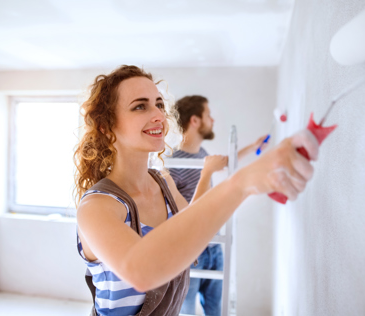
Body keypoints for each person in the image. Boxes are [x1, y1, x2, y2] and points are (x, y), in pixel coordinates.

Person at [74, 65, 319, 316]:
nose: (159, 115)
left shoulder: (163, 182)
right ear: (106, 126)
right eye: (140, 106)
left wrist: (254, 185)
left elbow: (194, 218)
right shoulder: (97, 206)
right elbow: (141, 271)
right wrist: (241, 182)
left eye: (159, 104)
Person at [169, 95, 268, 315]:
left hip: (214, 246)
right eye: (208, 115)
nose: (212, 120)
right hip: (191, 252)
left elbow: (224, 163)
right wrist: (207, 173)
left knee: (215, 310)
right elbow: (184, 215)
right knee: (186, 310)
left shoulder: (202, 154)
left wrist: (254, 147)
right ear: (195, 121)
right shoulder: (172, 163)